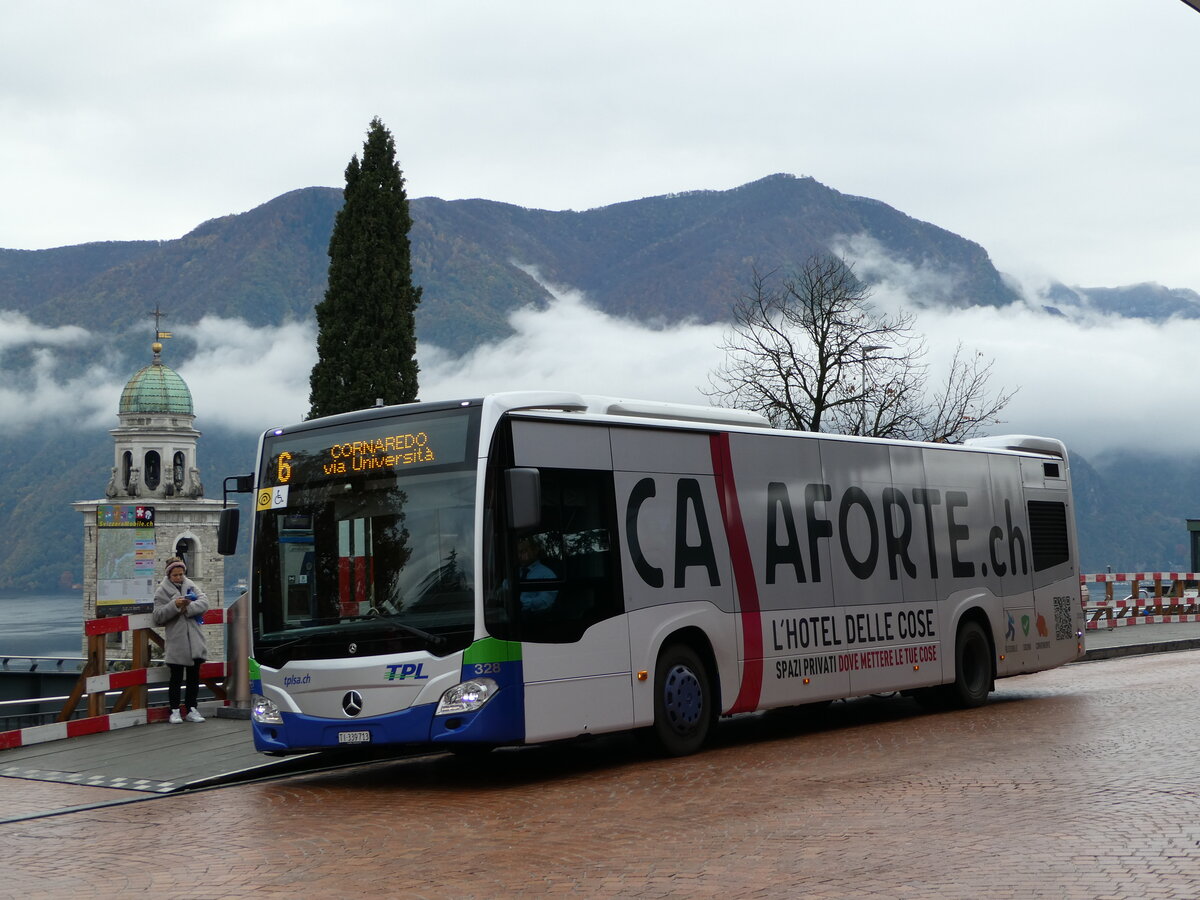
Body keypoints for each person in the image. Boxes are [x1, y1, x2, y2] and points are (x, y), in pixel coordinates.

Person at [152, 556, 210, 724]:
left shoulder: (191, 585)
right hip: (177, 642)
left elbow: (205, 602)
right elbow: (158, 616)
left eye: (181, 574)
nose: (179, 577)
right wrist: (175, 605)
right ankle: (175, 710)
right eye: (175, 575)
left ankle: (192, 708)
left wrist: (187, 608)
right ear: (169, 575)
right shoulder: (161, 591)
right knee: (176, 678)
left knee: (194, 678)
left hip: (195, 640)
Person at [516, 537, 558, 612]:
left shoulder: (547, 574)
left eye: (524, 551)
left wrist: (520, 603)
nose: (520, 555)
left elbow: (545, 601)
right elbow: (506, 586)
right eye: (519, 552)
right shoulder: (516, 572)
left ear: (535, 550)